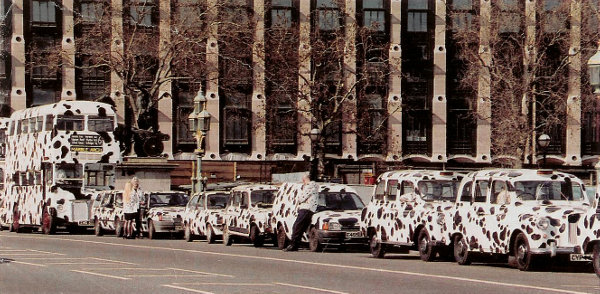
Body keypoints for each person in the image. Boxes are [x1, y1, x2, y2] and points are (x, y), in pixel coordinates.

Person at [284, 173, 319, 252]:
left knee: (297, 226)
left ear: (305, 179)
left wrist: (299, 197)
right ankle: (295, 245)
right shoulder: (315, 186)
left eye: (303, 180)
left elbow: (301, 198)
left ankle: (293, 245)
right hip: (310, 209)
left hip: (306, 208)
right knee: (301, 228)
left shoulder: (309, 186)